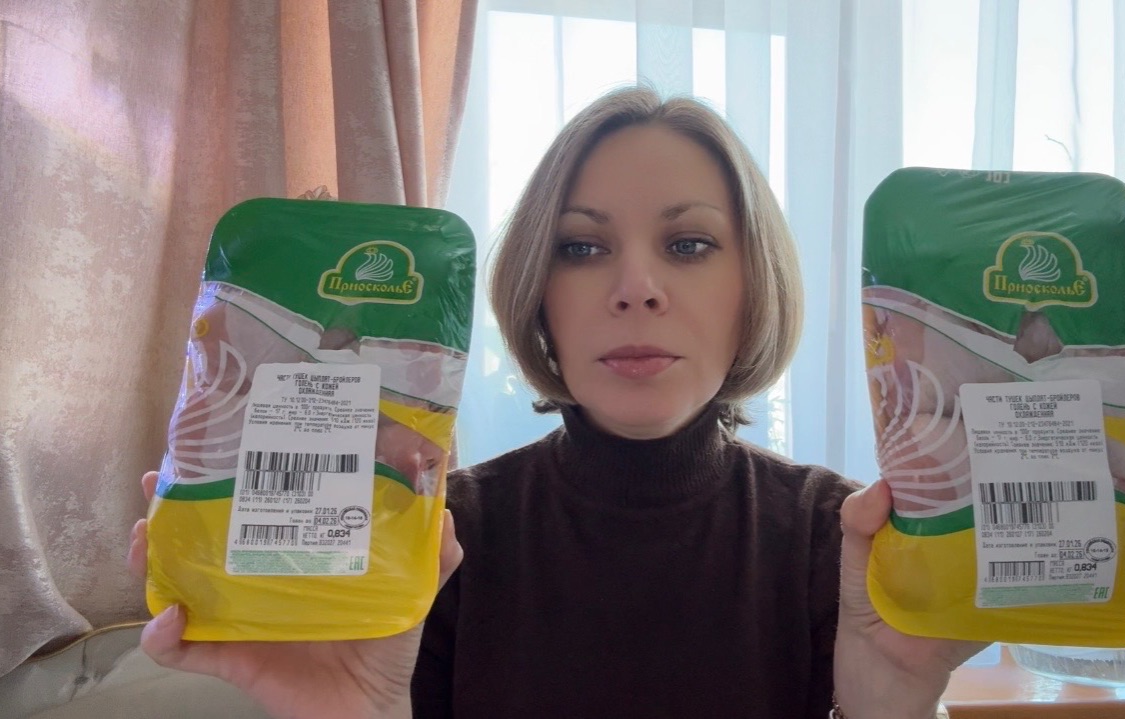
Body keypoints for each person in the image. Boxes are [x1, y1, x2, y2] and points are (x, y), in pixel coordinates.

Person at [127, 85, 984, 719]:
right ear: (538, 295)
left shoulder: (840, 543)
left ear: (753, 287)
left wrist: (895, 706)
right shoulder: (435, 545)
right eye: (581, 247)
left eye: (689, 244)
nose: (636, 286)